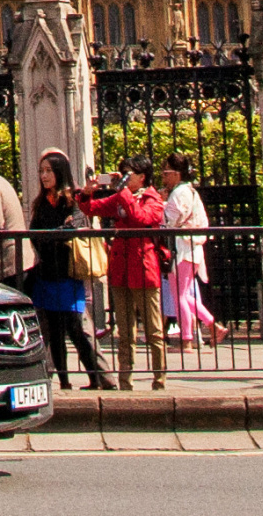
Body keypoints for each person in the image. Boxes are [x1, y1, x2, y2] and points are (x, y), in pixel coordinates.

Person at [27, 151, 109, 389]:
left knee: (75, 327)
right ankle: (63, 381)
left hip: (67, 272)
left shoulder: (71, 199)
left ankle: (95, 378)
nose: (44, 176)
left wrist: (55, 233)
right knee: (53, 330)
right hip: (47, 271)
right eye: (41, 171)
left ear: (60, 172)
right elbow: (36, 233)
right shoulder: (41, 202)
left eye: (48, 171)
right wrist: (56, 233)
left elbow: (73, 229)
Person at [93, 163, 173, 388]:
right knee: (125, 333)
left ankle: (159, 380)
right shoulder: (123, 195)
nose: (126, 178)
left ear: (142, 176)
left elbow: (140, 218)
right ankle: (125, 381)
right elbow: (94, 208)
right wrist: (85, 194)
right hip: (121, 270)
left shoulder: (152, 198)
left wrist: (124, 193)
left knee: (154, 331)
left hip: (144, 270)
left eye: (130, 174)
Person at [158, 155, 218, 351]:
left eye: (166, 173)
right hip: (190, 248)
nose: (163, 177)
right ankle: (212, 324)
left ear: (176, 173)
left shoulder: (180, 193)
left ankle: (187, 340)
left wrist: (161, 205)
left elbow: (170, 221)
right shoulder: (188, 191)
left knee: (180, 295)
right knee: (181, 293)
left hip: (183, 248)